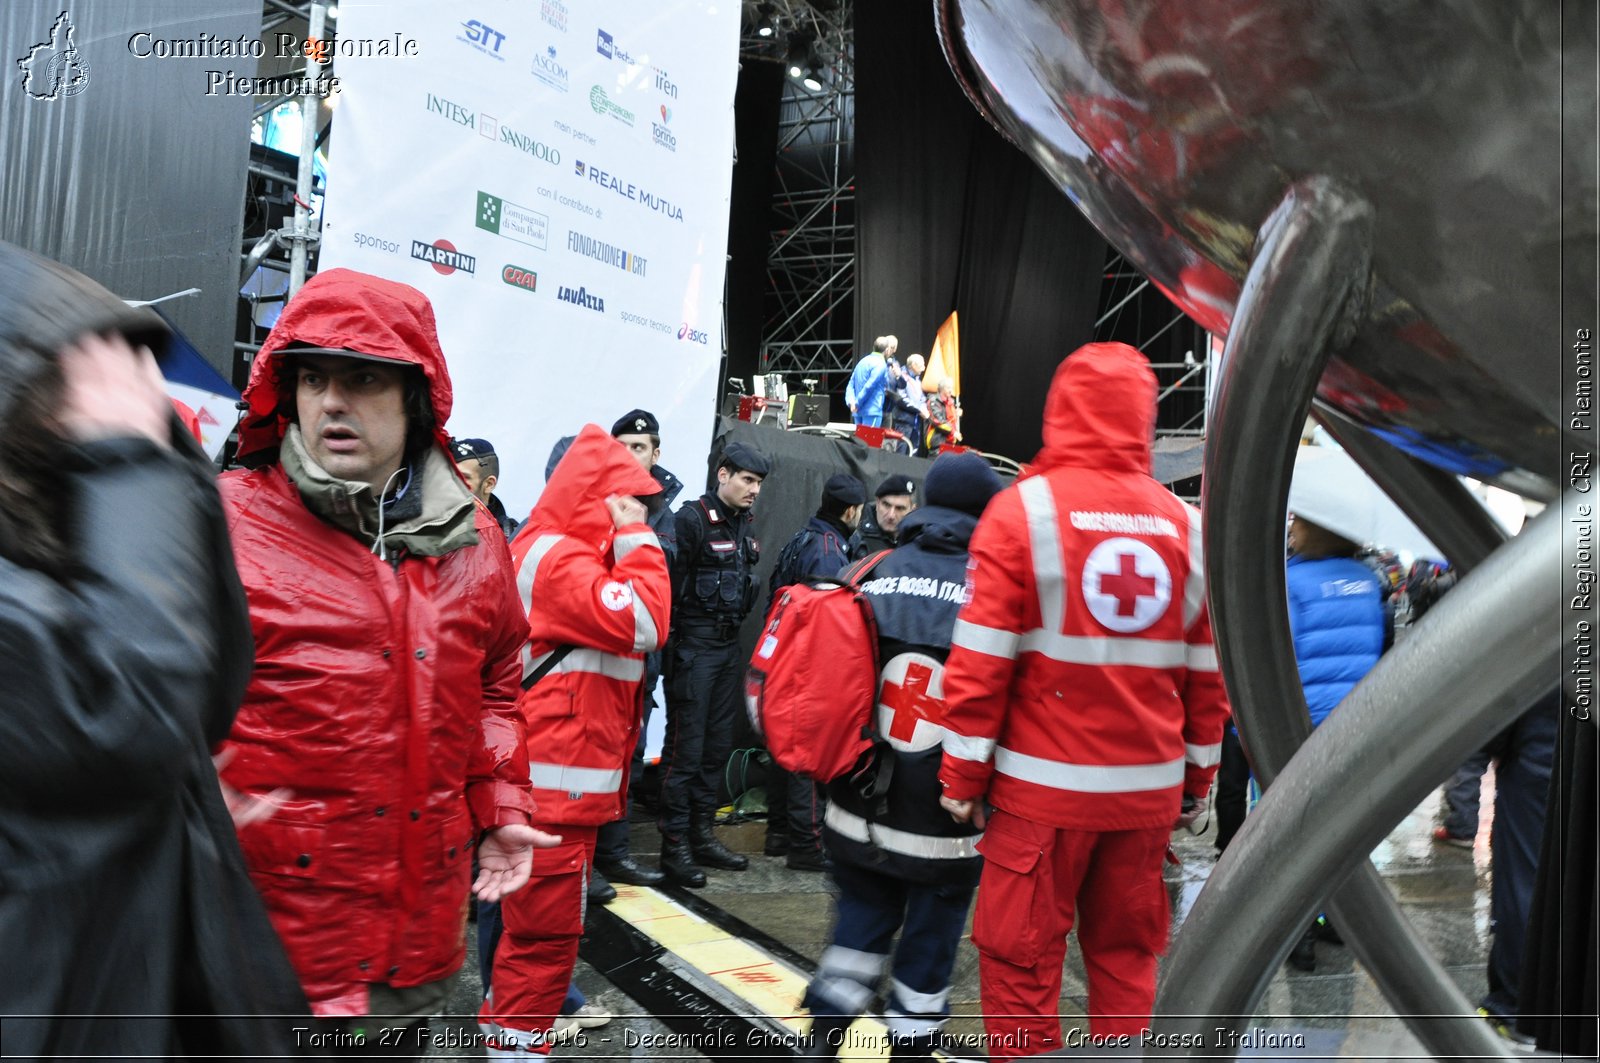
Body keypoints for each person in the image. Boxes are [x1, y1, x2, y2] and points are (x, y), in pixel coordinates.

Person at [217, 268, 552, 1050]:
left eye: (362, 377)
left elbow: (498, 685)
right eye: (311, 378)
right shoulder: (222, 525)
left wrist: (500, 807)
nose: (331, 400)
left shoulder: (478, 540)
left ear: (415, 398)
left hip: (416, 951)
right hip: (263, 962)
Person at [0, 242, 307, 1058]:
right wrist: (133, 462)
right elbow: (131, 714)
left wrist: (161, 459)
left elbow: (206, 691)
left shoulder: (86, 534)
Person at [936, 342, 1230, 1054]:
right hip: (1145, 801)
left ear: (1059, 410)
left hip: (1041, 800)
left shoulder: (1021, 513)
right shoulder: (1188, 528)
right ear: (1145, 420)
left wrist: (961, 778)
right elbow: (1206, 679)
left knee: (1021, 961)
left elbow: (979, 668)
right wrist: (1197, 783)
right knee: (1128, 960)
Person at [801, 453, 1003, 1062]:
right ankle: (911, 1050)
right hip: (947, 816)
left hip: (856, 801)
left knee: (857, 925)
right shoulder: (992, 593)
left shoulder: (866, 570)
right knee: (930, 942)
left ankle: (821, 1042)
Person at [480, 423, 671, 1057]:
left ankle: (505, 1038)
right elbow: (646, 621)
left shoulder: (566, 552)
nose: (640, 510)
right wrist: (636, 535)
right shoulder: (557, 556)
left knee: (532, 945)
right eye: (629, 498)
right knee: (539, 947)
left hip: (556, 798)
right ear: (601, 495)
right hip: (549, 802)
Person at [657, 442, 770, 886]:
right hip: (694, 649)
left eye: (758, 482)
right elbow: (667, 591)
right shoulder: (690, 521)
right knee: (684, 751)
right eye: (746, 479)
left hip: (726, 652)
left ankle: (701, 835)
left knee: (716, 748)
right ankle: (674, 845)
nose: (754, 489)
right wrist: (671, 653)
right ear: (722, 475)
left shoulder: (744, 525)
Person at [1280, 513, 1385, 969]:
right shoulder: (1367, 580)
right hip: (1355, 724)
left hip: (1297, 728)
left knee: (1290, 830)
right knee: (1343, 825)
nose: (1291, 530)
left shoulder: (1290, 582)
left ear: (1315, 529)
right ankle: (1337, 920)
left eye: (1298, 523)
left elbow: (1276, 655)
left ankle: (1296, 932)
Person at [593, 409, 682, 894]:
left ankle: (614, 853)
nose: (631, 456)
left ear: (656, 453)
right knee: (592, 754)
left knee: (631, 753)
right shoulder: (599, 502)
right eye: (623, 446)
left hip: (646, 656)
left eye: (641, 447)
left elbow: (672, 589)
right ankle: (585, 861)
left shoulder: (668, 510)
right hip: (605, 647)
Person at [764, 473, 867, 869]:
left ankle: (778, 833)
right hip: (805, 664)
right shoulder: (828, 550)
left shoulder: (803, 536)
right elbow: (825, 619)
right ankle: (805, 846)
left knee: (782, 748)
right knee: (806, 751)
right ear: (852, 510)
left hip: (783, 656)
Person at [452, 436, 519, 541]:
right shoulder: (426, 530)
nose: (451, 484)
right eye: (449, 477)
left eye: (462, 477)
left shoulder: (512, 538)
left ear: (489, 484)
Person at [849, 475, 919, 560]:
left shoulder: (919, 541)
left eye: (900, 508)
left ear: (912, 510)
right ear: (877, 503)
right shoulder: (858, 540)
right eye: (886, 505)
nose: (891, 515)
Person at [845, 336, 895, 428]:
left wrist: (851, 401)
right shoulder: (881, 364)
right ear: (887, 350)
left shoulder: (862, 362)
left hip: (857, 411)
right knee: (869, 442)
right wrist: (856, 403)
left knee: (859, 442)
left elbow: (851, 384)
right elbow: (870, 385)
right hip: (872, 411)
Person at [884, 353, 928, 454]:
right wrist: (918, 409)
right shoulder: (901, 376)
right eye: (921, 366)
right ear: (913, 365)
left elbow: (922, 398)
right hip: (903, 421)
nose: (923, 369)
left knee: (913, 452)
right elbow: (901, 398)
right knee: (901, 452)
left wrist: (923, 408)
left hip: (915, 423)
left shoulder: (917, 379)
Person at [925, 378, 961, 451]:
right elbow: (938, 421)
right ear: (941, 388)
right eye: (948, 388)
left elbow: (952, 421)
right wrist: (953, 432)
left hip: (950, 442)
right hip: (938, 442)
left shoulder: (950, 402)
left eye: (952, 388)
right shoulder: (934, 401)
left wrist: (957, 415)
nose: (951, 390)